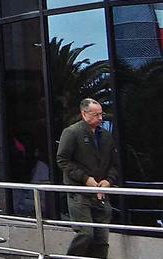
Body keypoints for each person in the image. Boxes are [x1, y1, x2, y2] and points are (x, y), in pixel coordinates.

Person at [56, 98, 118, 258]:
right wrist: (85, 179)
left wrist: (109, 180)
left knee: (102, 238)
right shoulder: (72, 132)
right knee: (86, 233)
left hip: (101, 194)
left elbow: (113, 162)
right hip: (80, 193)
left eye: (101, 114)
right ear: (84, 114)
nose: (100, 118)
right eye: (96, 114)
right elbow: (62, 159)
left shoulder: (105, 135)